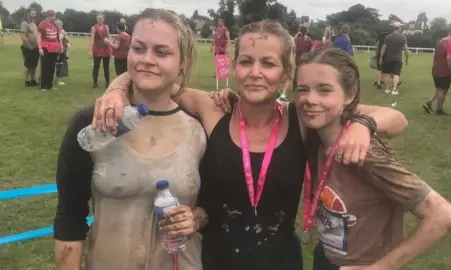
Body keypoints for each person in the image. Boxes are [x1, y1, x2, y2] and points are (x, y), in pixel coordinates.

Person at [92, 19, 408, 270]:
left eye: (268, 64)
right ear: (234, 66)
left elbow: (396, 118)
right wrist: (117, 90)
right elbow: (153, 77)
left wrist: (365, 125)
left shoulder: (302, 117)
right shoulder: (212, 108)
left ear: (287, 73)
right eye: (246, 62)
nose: (255, 73)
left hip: (281, 262)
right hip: (214, 262)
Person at [53, 9, 208, 270]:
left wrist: (197, 217)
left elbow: (216, 204)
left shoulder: (200, 127)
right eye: (138, 48)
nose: (146, 59)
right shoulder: (93, 122)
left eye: (161, 52)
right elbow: (70, 216)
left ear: (183, 61)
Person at [295, 48, 451, 270]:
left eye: (324, 90)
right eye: (302, 89)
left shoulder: (364, 154)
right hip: (327, 256)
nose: (310, 99)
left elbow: (443, 215)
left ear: (350, 94)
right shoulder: (316, 134)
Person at [423, 27, 451, 115]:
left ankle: (428, 103)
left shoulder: (439, 42)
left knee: (439, 88)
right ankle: (439, 110)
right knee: (443, 90)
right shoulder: (450, 43)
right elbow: (448, 57)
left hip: (435, 69)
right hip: (444, 70)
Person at [380, 21, 409, 95]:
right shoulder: (402, 37)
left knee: (388, 74)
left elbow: (383, 48)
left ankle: (387, 89)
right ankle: (394, 90)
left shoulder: (388, 37)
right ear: (399, 28)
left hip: (388, 58)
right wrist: (407, 58)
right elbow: (406, 49)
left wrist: (381, 58)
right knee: (396, 74)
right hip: (397, 59)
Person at [37, 10, 62, 91]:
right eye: (54, 16)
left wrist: (60, 46)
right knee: (45, 67)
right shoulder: (42, 24)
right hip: (45, 48)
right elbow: (39, 36)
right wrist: (40, 47)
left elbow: (58, 36)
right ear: (49, 16)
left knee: (52, 67)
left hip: (54, 49)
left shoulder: (55, 25)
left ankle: (49, 85)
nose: (55, 18)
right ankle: (43, 86)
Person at [89, 12, 111, 88]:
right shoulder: (93, 28)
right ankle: (95, 83)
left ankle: (107, 82)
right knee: (96, 67)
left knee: (106, 67)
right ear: (96, 19)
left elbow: (109, 37)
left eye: (101, 18)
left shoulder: (106, 27)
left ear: (103, 19)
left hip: (106, 49)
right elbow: (92, 40)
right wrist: (90, 51)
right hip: (97, 50)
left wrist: (109, 43)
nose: (99, 20)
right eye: (98, 18)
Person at [19, 8, 39, 87]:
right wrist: (29, 46)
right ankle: (27, 81)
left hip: (35, 48)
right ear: (28, 14)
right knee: (28, 65)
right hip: (28, 48)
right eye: (33, 13)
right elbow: (23, 35)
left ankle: (33, 79)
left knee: (34, 65)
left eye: (35, 13)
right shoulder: (25, 23)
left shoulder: (33, 23)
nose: (34, 15)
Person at [278, 21, 295, 102]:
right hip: (289, 59)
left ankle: (278, 92)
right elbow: (294, 49)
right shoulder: (291, 38)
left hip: (280, 59)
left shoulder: (278, 37)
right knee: (289, 77)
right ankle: (283, 94)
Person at [293, 25, 313, 90]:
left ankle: (295, 86)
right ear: (306, 31)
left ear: (300, 31)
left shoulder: (297, 39)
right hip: (306, 58)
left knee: (297, 72)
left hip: (298, 58)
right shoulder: (309, 40)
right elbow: (311, 49)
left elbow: (295, 49)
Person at [55, 19, 69, 86]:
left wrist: (67, 43)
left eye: (60, 25)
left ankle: (59, 80)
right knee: (55, 65)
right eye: (58, 25)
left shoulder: (63, 31)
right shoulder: (55, 32)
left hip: (62, 51)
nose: (59, 26)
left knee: (60, 65)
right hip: (55, 50)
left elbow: (66, 40)